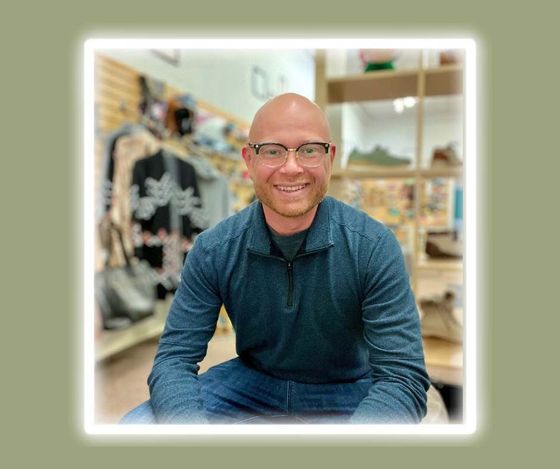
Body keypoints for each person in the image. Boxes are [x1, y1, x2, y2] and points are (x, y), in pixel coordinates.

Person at [121, 93, 430, 424]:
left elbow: (403, 378)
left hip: (347, 388)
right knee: (136, 427)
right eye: (272, 151)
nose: (292, 167)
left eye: (309, 150)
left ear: (331, 158)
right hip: (251, 383)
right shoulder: (213, 249)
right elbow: (174, 359)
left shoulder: (373, 246)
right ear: (248, 160)